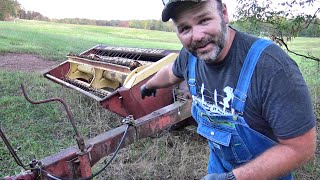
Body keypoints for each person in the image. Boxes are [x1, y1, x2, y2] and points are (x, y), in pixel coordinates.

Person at [140, 0, 317, 179]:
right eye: (185, 28)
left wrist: (233, 178)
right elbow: (171, 73)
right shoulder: (191, 56)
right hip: (219, 168)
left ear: (224, 13)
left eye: (204, 20)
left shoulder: (271, 68)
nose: (197, 36)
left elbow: (302, 148)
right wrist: (150, 85)